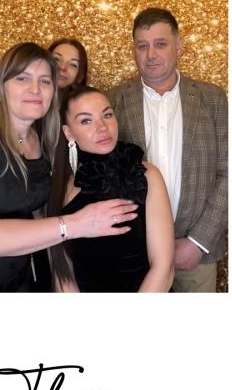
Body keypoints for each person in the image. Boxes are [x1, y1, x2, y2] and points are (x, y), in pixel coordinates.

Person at [0, 42, 137, 292]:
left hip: (30, 278)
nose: (35, 89)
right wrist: (75, 224)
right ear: (1, 85)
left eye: (45, 81)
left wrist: (63, 274)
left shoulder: (43, 139)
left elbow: (42, 213)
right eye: (22, 78)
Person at [108, 7, 228, 292]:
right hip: (134, 250)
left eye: (160, 44)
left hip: (196, 254)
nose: (151, 54)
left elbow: (229, 172)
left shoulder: (213, 99)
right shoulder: (112, 101)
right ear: (134, 50)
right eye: (142, 46)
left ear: (180, 46)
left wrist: (198, 241)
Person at [48, 86, 175, 292]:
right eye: (86, 121)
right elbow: (62, 272)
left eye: (107, 115)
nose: (102, 127)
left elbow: (164, 268)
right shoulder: (59, 188)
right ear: (68, 132)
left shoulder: (146, 175)